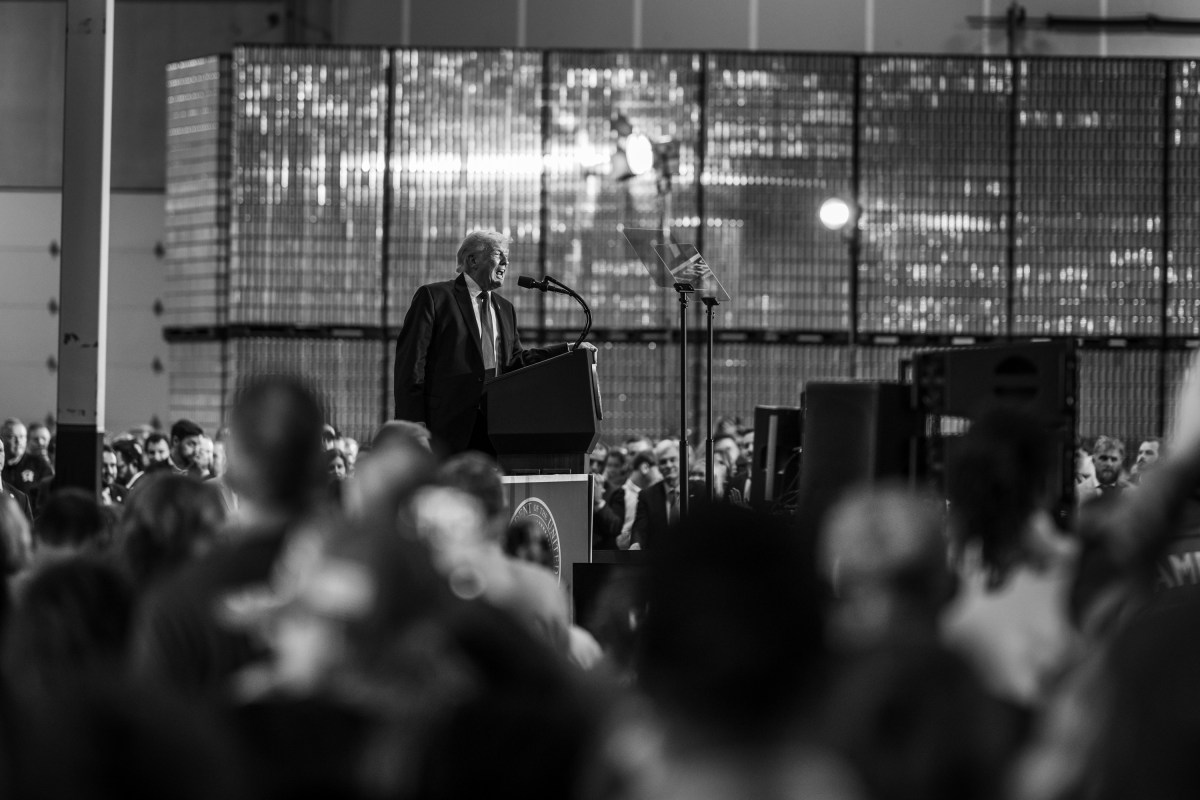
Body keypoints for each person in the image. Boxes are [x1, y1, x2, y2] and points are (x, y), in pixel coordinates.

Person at [393, 229, 595, 455]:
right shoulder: (435, 297)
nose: (506, 263)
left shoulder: (505, 308)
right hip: (443, 428)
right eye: (499, 255)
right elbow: (411, 363)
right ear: (473, 260)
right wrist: (413, 423)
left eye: (507, 257)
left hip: (496, 428)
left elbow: (516, 362)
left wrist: (568, 350)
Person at [2, 418, 53, 496]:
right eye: (12, 437)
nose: (18, 441)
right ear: (2, 439)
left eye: (22, 437)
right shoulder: (1, 466)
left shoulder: (40, 465)